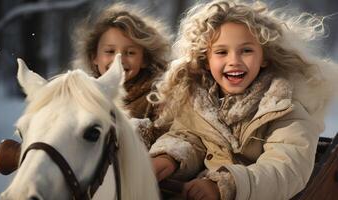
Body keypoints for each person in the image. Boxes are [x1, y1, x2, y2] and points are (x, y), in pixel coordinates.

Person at [148, 0, 338, 199]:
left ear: (264, 57)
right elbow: (190, 137)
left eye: (246, 51)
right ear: (205, 60)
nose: (234, 61)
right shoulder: (198, 103)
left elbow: (285, 168)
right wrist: (169, 157)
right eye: (222, 52)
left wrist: (224, 185)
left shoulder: (284, 108)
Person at [71, 3, 171, 148]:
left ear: (144, 60)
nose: (119, 59)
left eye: (130, 53)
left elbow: (166, 136)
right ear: (94, 57)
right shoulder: (83, 96)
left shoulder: (158, 97)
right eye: (110, 51)